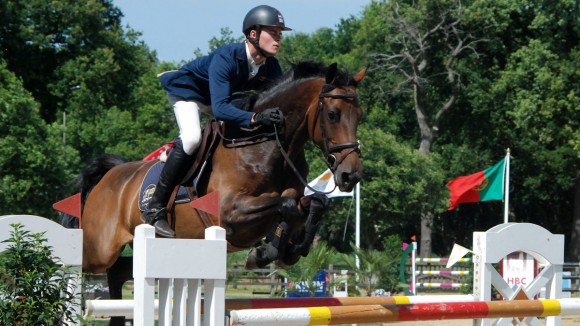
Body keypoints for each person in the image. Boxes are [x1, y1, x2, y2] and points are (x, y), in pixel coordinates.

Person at [142, 5, 291, 237]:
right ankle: (155, 207)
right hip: (189, 93)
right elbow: (221, 109)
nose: (278, 38)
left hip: (219, 98)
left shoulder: (271, 66)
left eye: (280, 33)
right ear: (253, 34)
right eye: (273, 32)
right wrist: (254, 117)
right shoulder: (227, 57)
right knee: (192, 139)